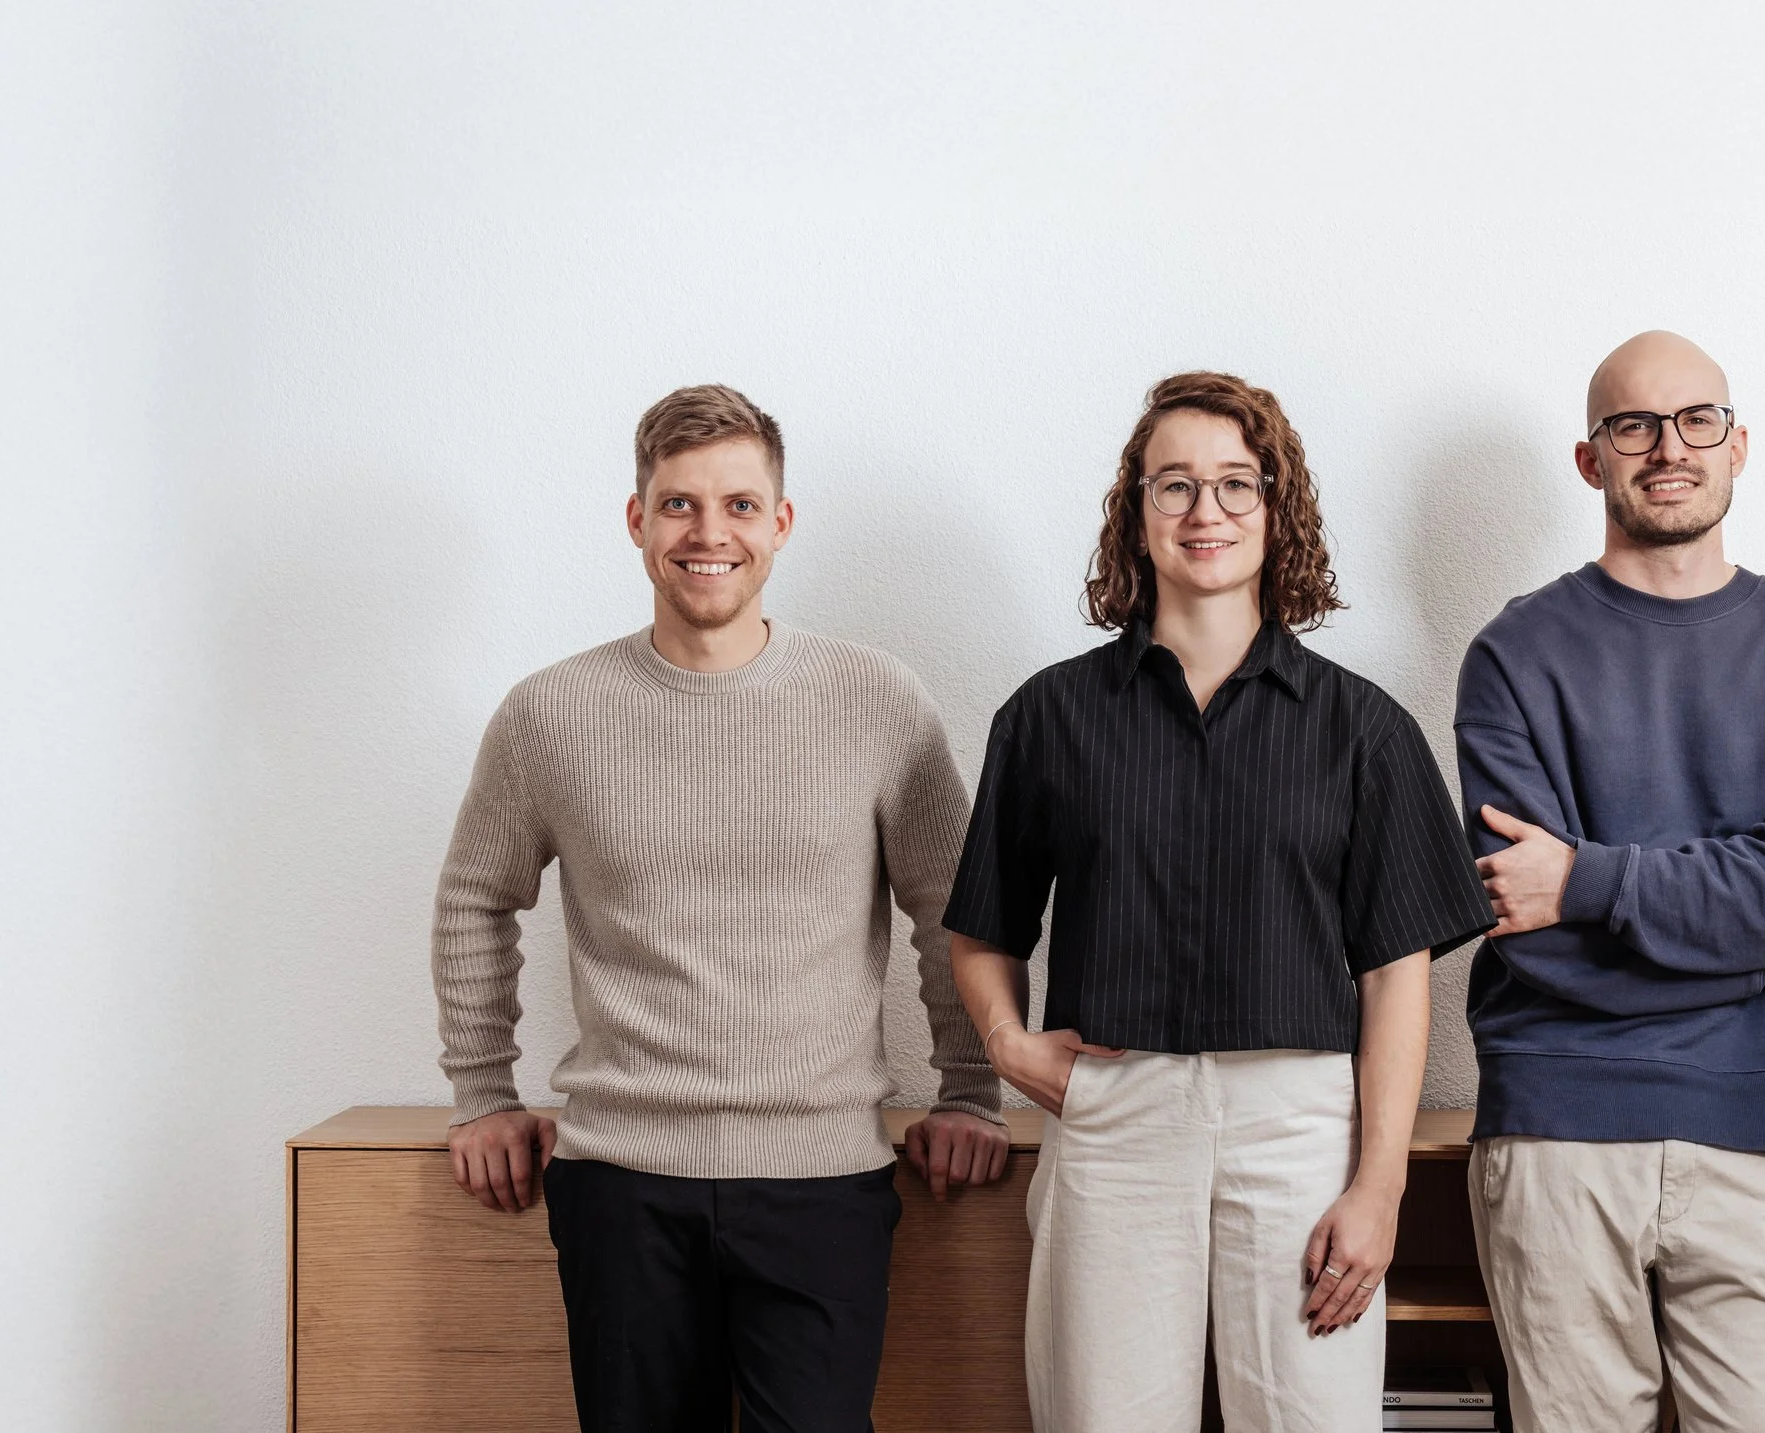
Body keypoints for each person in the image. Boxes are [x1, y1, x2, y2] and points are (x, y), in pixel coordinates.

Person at [431, 384, 1011, 1433]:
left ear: (780, 523)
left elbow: (956, 906)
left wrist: (970, 1087)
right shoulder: (549, 713)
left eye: (740, 505)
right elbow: (476, 896)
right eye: (680, 504)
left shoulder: (878, 700)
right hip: (619, 1180)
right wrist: (481, 1091)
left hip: (822, 1178)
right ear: (637, 519)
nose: (710, 533)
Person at [944, 372, 1493, 1433]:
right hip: (1111, 1115)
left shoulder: (1362, 729)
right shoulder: (1050, 717)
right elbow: (982, 927)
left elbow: (1395, 977)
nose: (1206, 513)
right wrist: (1007, 1045)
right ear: (1135, 513)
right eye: (1175, 486)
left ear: (1277, 509)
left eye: (1237, 485)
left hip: (1298, 1122)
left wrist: (1377, 1188)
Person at [1456, 332, 1765, 1432]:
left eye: (1695, 420)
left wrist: (1585, 878)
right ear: (1591, 461)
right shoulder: (1514, 653)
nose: (1667, 447)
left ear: (1738, 445)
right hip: (1556, 1129)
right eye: (1632, 425)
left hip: (1749, 1128)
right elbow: (1527, 933)